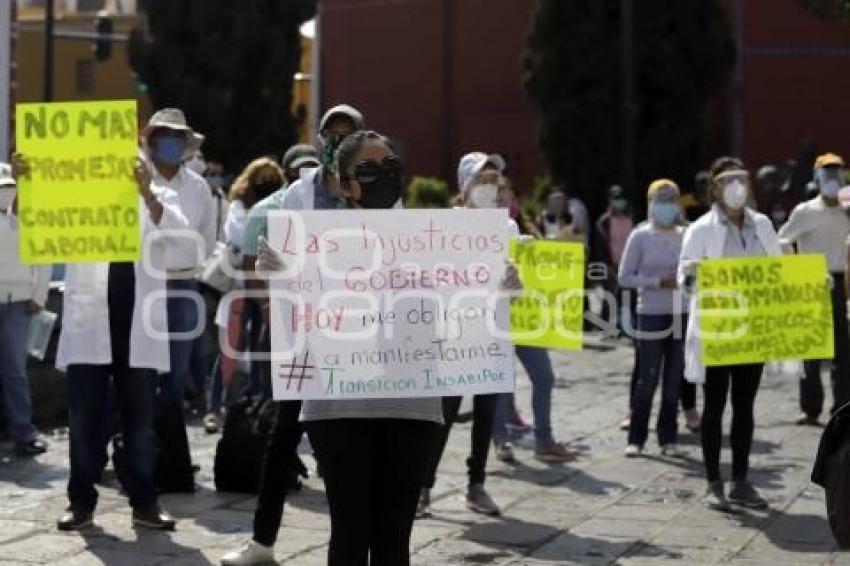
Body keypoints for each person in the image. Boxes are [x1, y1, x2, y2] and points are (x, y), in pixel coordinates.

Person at [221, 106, 362, 566]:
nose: (338, 143)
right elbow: (267, 254)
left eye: (347, 136)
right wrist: (269, 302)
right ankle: (262, 543)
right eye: (331, 135)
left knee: (347, 448)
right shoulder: (295, 196)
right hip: (302, 335)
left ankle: (351, 543)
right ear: (320, 139)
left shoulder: (377, 190)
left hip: (355, 337)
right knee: (283, 436)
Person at [22, 147, 177, 530]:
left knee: (139, 423)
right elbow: (38, 226)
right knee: (84, 421)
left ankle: (144, 502)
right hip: (90, 326)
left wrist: (146, 193)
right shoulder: (77, 203)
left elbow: (180, 243)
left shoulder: (155, 195)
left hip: (137, 329)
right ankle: (80, 501)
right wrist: (27, 179)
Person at [679, 156, 781, 511]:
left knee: (745, 406)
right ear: (715, 189)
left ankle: (741, 479)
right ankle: (713, 482)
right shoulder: (700, 229)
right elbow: (685, 279)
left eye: (743, 180)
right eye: (729, 181)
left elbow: (779, 269)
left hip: (751, 330)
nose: (738, 187)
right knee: (715, 405)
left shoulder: (764, 225)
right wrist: (693, 275)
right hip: (717, 330)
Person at [141, 108, 217, 478]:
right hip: (145, 284)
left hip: (184, 283)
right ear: (151, 139)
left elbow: (206, 237)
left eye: (176, 135)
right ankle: (138, 447)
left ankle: (170, 451)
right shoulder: (136, 181)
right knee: (140, 368)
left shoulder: (199, 187)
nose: (170, 142)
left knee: (177, 371)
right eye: (163, 135)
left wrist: (191, 266)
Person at [483, 169, 576, 465]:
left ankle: (544, 440)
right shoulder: (469, 227)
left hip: (524, 317)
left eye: (504, 191)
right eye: (495, 190)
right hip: (495, 318)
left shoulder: (512, 225)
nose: (502, 196)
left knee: (544, 377)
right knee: (499, 382)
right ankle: (500, 440)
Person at [203, 157, 287, 433]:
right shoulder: (238, 208)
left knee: (261, 347)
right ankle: (214, 407)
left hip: (267, 286)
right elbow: (240, 237)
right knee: (230, 347)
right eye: (260, 179)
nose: (266, 184)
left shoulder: (283, 206)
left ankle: (258, 403)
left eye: (270, 179)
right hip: (240, 286)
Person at [778, 152, 850, 426]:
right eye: (827, 174)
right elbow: (783, 239)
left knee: (844, 350)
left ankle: (842, 406)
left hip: (843, 281)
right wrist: (797, 269)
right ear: (817, 178)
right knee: (809, 349)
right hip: (813, 281)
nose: (832, 179)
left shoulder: (848, 208)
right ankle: (810, 407)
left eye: (837, 173)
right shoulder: (805, 211)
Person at [619, 179, 688, 457]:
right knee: (647, 379)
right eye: (660, 199)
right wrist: (658, 281)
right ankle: (636, 437)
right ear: (650, 203)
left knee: (674, 380)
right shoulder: (641, 236)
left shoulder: (688, 234)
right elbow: (625, 276)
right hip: (650, 314)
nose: (666, 205)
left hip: (682, 313)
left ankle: (668, 437)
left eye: (671, 199)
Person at [0, 161, 49, 456]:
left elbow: (42, 259)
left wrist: (39, 296)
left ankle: (23, 431)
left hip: (18, 304)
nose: (6, 193)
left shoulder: (31, 221)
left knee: (15, 371)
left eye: (10, 187)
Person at [596, 185, 635, 334]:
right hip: (611, 264)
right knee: (609, 295)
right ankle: (606, 326)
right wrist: (608, 265)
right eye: (615, 199)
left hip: (629, 264)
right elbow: (601, 245)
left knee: (627, 297)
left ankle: (626, 326)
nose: (619, 202)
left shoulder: (632, 218)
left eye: (621, 199)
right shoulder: (604, 222)